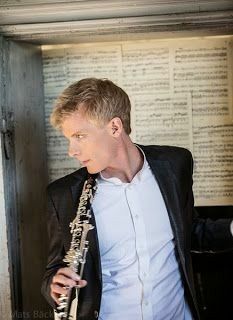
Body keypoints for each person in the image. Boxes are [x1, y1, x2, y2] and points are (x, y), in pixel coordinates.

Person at [41, 78, 233, 320]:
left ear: (114, 127)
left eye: (80, 136)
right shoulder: (62, 195)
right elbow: (53, 271)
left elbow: (189, 230)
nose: (72, 150)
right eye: (69, 138)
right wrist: (54, 286)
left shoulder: (175, 165)